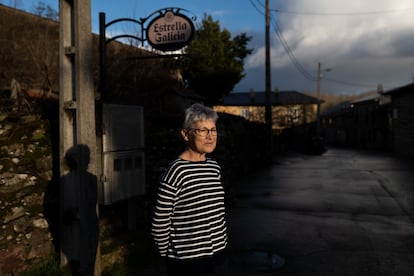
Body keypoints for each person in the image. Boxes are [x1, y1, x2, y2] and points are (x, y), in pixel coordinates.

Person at [152, 103, 228, 276]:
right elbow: (160, 224)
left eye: (213, 130)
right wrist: (170, 258)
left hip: (218, 256)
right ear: (185, 134)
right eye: (202, 130)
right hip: (187, 262)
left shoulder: (214, 167)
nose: (210, 136)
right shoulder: (177, 170)